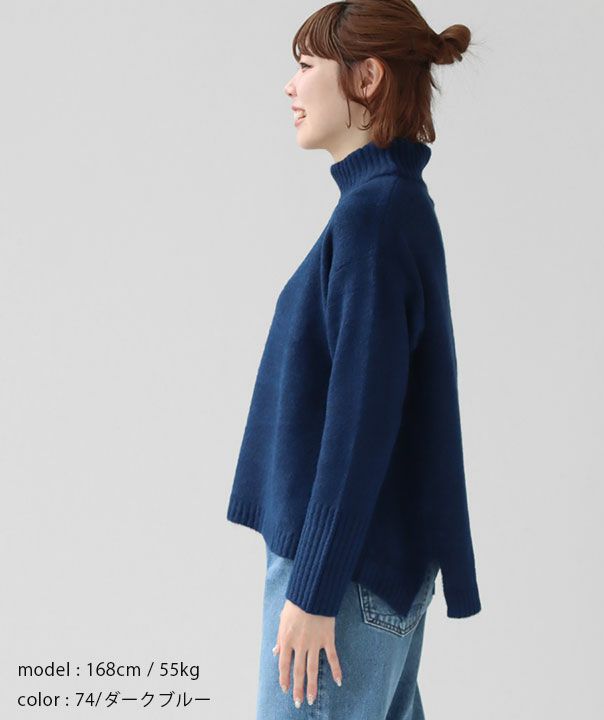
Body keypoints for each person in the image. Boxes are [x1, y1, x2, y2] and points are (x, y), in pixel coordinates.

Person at [226, 1, 482, 717]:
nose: (291, 85)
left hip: (342, 579)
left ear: (366, 78)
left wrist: (313, 590)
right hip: (367, 569)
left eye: (307, 65)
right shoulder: (391, 206)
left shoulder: (375, 217)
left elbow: (360, 422)